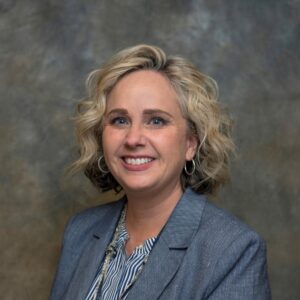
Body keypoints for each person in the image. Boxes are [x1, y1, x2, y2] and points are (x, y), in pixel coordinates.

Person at [50, 45, 271, 300]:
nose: (133, 139)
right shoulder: (81, 230)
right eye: (119, 120)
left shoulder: (233, 250)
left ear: (190, 143)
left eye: (156, 120)